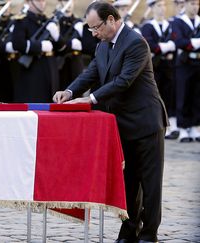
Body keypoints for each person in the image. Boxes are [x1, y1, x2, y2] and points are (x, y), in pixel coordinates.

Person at [53, 1, 168, 242]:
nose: (93, 33)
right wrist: (70, 92)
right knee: (128, 183)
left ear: (112, 21)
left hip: (146, 123)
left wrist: (90, 100)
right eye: (90, 29)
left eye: (96, 28)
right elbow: (91, 72)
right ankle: (129, 230)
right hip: (122, 125)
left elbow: (123, 81)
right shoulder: (103, 45)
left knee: (150, 185)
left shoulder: (136, 42)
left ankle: (149, 234)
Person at [11, 0, 64, 102]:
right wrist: (40, 46)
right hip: (33, 70)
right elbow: (17, 43)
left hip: (50, 68)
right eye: (39, 0)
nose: (42, 3)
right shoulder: (22, 20)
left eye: (44, 0)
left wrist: (57, 37)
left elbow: (62, 48)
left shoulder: (48, 21)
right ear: (29, 2)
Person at [141, 0, 179, 139]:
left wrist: (164, 47)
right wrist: (165, 47)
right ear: (151, 8)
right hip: (154, 67)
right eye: (158, 6)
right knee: (156, 96)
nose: (162, 8)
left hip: (169, 66)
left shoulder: (170, 25)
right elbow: (150, 45)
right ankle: (157, 124)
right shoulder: (148, 26)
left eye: (163, 5)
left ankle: (169, 125)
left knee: (169, 95)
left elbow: (177, 42)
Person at [171, 0, 200, 142]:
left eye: (197, 4)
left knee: (197, 95)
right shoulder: (178, 22)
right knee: (182, 95)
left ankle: (194, 125)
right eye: (193, 4)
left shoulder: (199, 21)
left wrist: (190, 43)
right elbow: (179, 42)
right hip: (184, 63)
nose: (195, 7)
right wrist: (196, 43)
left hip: (198, 62)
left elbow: (185, 42)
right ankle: (182, 127)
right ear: (186, 4)